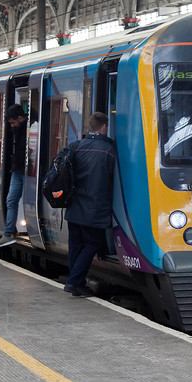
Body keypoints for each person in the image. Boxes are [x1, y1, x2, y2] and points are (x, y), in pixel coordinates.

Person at [63, 112, 116, 297]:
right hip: (94, 208)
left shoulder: (76, 146)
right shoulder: (109, 149)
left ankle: (76, 282)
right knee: (92, 244)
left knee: (76, 245)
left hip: (74, 206)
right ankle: (74, 281)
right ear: (104, 127)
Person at [0, 104, 28, 248]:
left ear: (21, 118)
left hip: (25, 172)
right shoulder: (17, 130)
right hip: (17, 170)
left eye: (13, 123)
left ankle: (25, 231)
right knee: (11, 200)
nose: (12, 126)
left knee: (16, 201)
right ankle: (8, 233)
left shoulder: (30, 129)